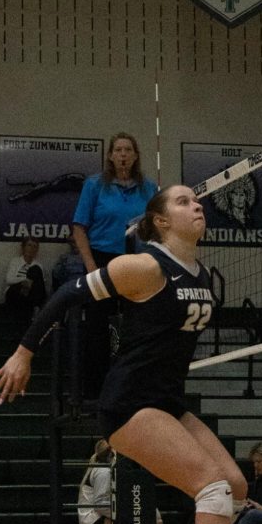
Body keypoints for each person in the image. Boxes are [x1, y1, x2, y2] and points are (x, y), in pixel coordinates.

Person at [0, 184, 262, 524]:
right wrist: (24, 352)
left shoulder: (202, 272)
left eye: (197, 200)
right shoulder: (144, 266)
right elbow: (66, 296)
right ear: (160, 221)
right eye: (183, 202)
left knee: (232, 485)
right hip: (129, 402)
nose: (197, 206)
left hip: (168, 399)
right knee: (210, 486)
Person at [71, 132, 158, 394]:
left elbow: (157, 229)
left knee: (137, 325)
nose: (122, 154)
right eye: (118, 150)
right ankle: (95, 391)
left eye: (128, 150)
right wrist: (91, 268)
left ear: (135, 156)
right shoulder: (95, 185)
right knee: (98, 328)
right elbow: (78, 228)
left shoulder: (149, 189)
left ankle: (134, 387)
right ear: (110, 155)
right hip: (102, 260)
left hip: (136, 261)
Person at [77, 437, 177, 524]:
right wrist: (129, 513)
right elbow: (100, 505)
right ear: (113, 454)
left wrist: (133, 511)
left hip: (105, 518)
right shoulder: (103, 471)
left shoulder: (114, 470)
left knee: (143, 504)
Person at [3, 239, 47, 324]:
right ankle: (36, 307)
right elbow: (9, 280)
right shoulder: (15, 261)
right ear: (23, 247)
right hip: (15, 292)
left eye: (35, 246)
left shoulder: (39, 265)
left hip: (31, 294)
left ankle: (36, 309)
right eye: (29, 245)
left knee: (35, 269)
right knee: (32, 275)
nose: (32, 249)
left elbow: (41, 286)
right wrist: (25, 280)